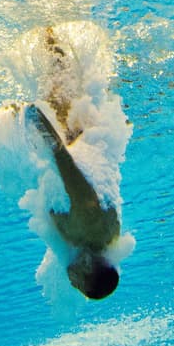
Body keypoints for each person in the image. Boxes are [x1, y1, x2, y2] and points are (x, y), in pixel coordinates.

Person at [23, 101, 122, 300]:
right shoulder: (90, 224)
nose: (71, 281)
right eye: (78, 283)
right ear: (87, 268)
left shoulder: (95, 243)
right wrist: (32, 116)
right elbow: (64, 160)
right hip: (73, 128)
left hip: (77, 137)